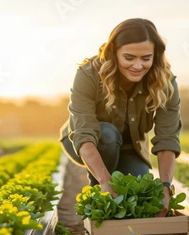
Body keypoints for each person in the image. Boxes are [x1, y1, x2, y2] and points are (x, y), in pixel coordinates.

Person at [59, 18, 182, 217]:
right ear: (113, 52)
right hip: (87, 143)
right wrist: (105, 181)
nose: (138, 65)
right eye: (129, 57)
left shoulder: (164, 81)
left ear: (155, 56)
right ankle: (98, 199)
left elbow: (167, 137)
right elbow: (84, 134)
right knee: (107, 134)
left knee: (141, 191)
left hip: (130, 149)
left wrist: (166, 187)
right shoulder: (88, 74)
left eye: (146, 58)